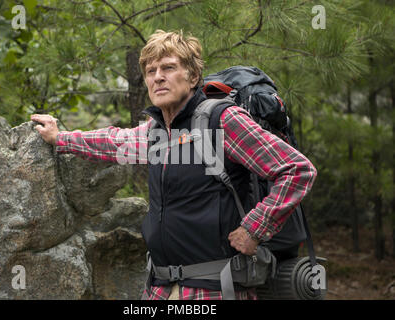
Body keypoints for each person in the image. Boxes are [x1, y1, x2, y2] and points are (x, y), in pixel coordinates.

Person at [31, 30, 317, 300]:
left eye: (168, 68)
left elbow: (296, 169)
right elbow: (114, 142)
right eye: (151, 71)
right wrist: (61, 138)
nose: (158, 78)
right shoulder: (156, 132)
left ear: (192, 76)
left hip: (216, 288)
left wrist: (255, 228)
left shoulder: (222, 122)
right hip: (160, 287)